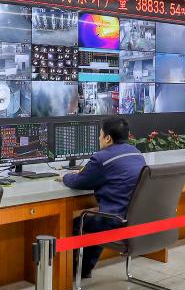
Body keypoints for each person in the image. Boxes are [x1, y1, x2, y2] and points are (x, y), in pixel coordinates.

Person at [59, 116, 146, 278]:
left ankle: (71, 272)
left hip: (116, 221)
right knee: (98, 219)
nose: (99, 138)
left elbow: (78, 182)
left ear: (108, 138)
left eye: (100, 135)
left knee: (78, 223)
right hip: (138, 220)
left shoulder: (102, 158)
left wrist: (65, 177)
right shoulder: (137, 153)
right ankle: (85, 269)